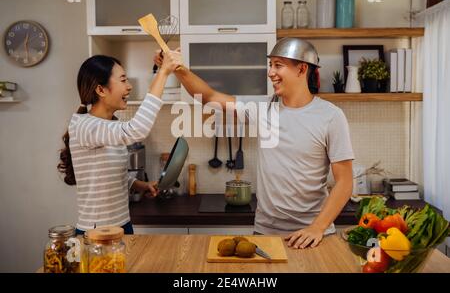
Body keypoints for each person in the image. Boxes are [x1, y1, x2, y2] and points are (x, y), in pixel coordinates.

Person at [155, 38, 354, 248]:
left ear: (302, 69)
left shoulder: (331, 116)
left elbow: (344, 182)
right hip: (267, 232)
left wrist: (318, 227)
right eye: (270, 65)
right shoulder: (263, 109)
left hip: (313, 235)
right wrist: (176, 67)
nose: (270, 73)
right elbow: (209, 96)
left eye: (278, 65)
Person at [58, 52, 182, 235]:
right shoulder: (85, 126)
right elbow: (137, 129)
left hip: (122, 224)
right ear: (100, 90)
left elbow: (111, 174)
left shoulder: (110, 125)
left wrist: (141, 185)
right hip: (97, 233)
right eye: (123, 80)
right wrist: (162, 73)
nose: (129, 86)